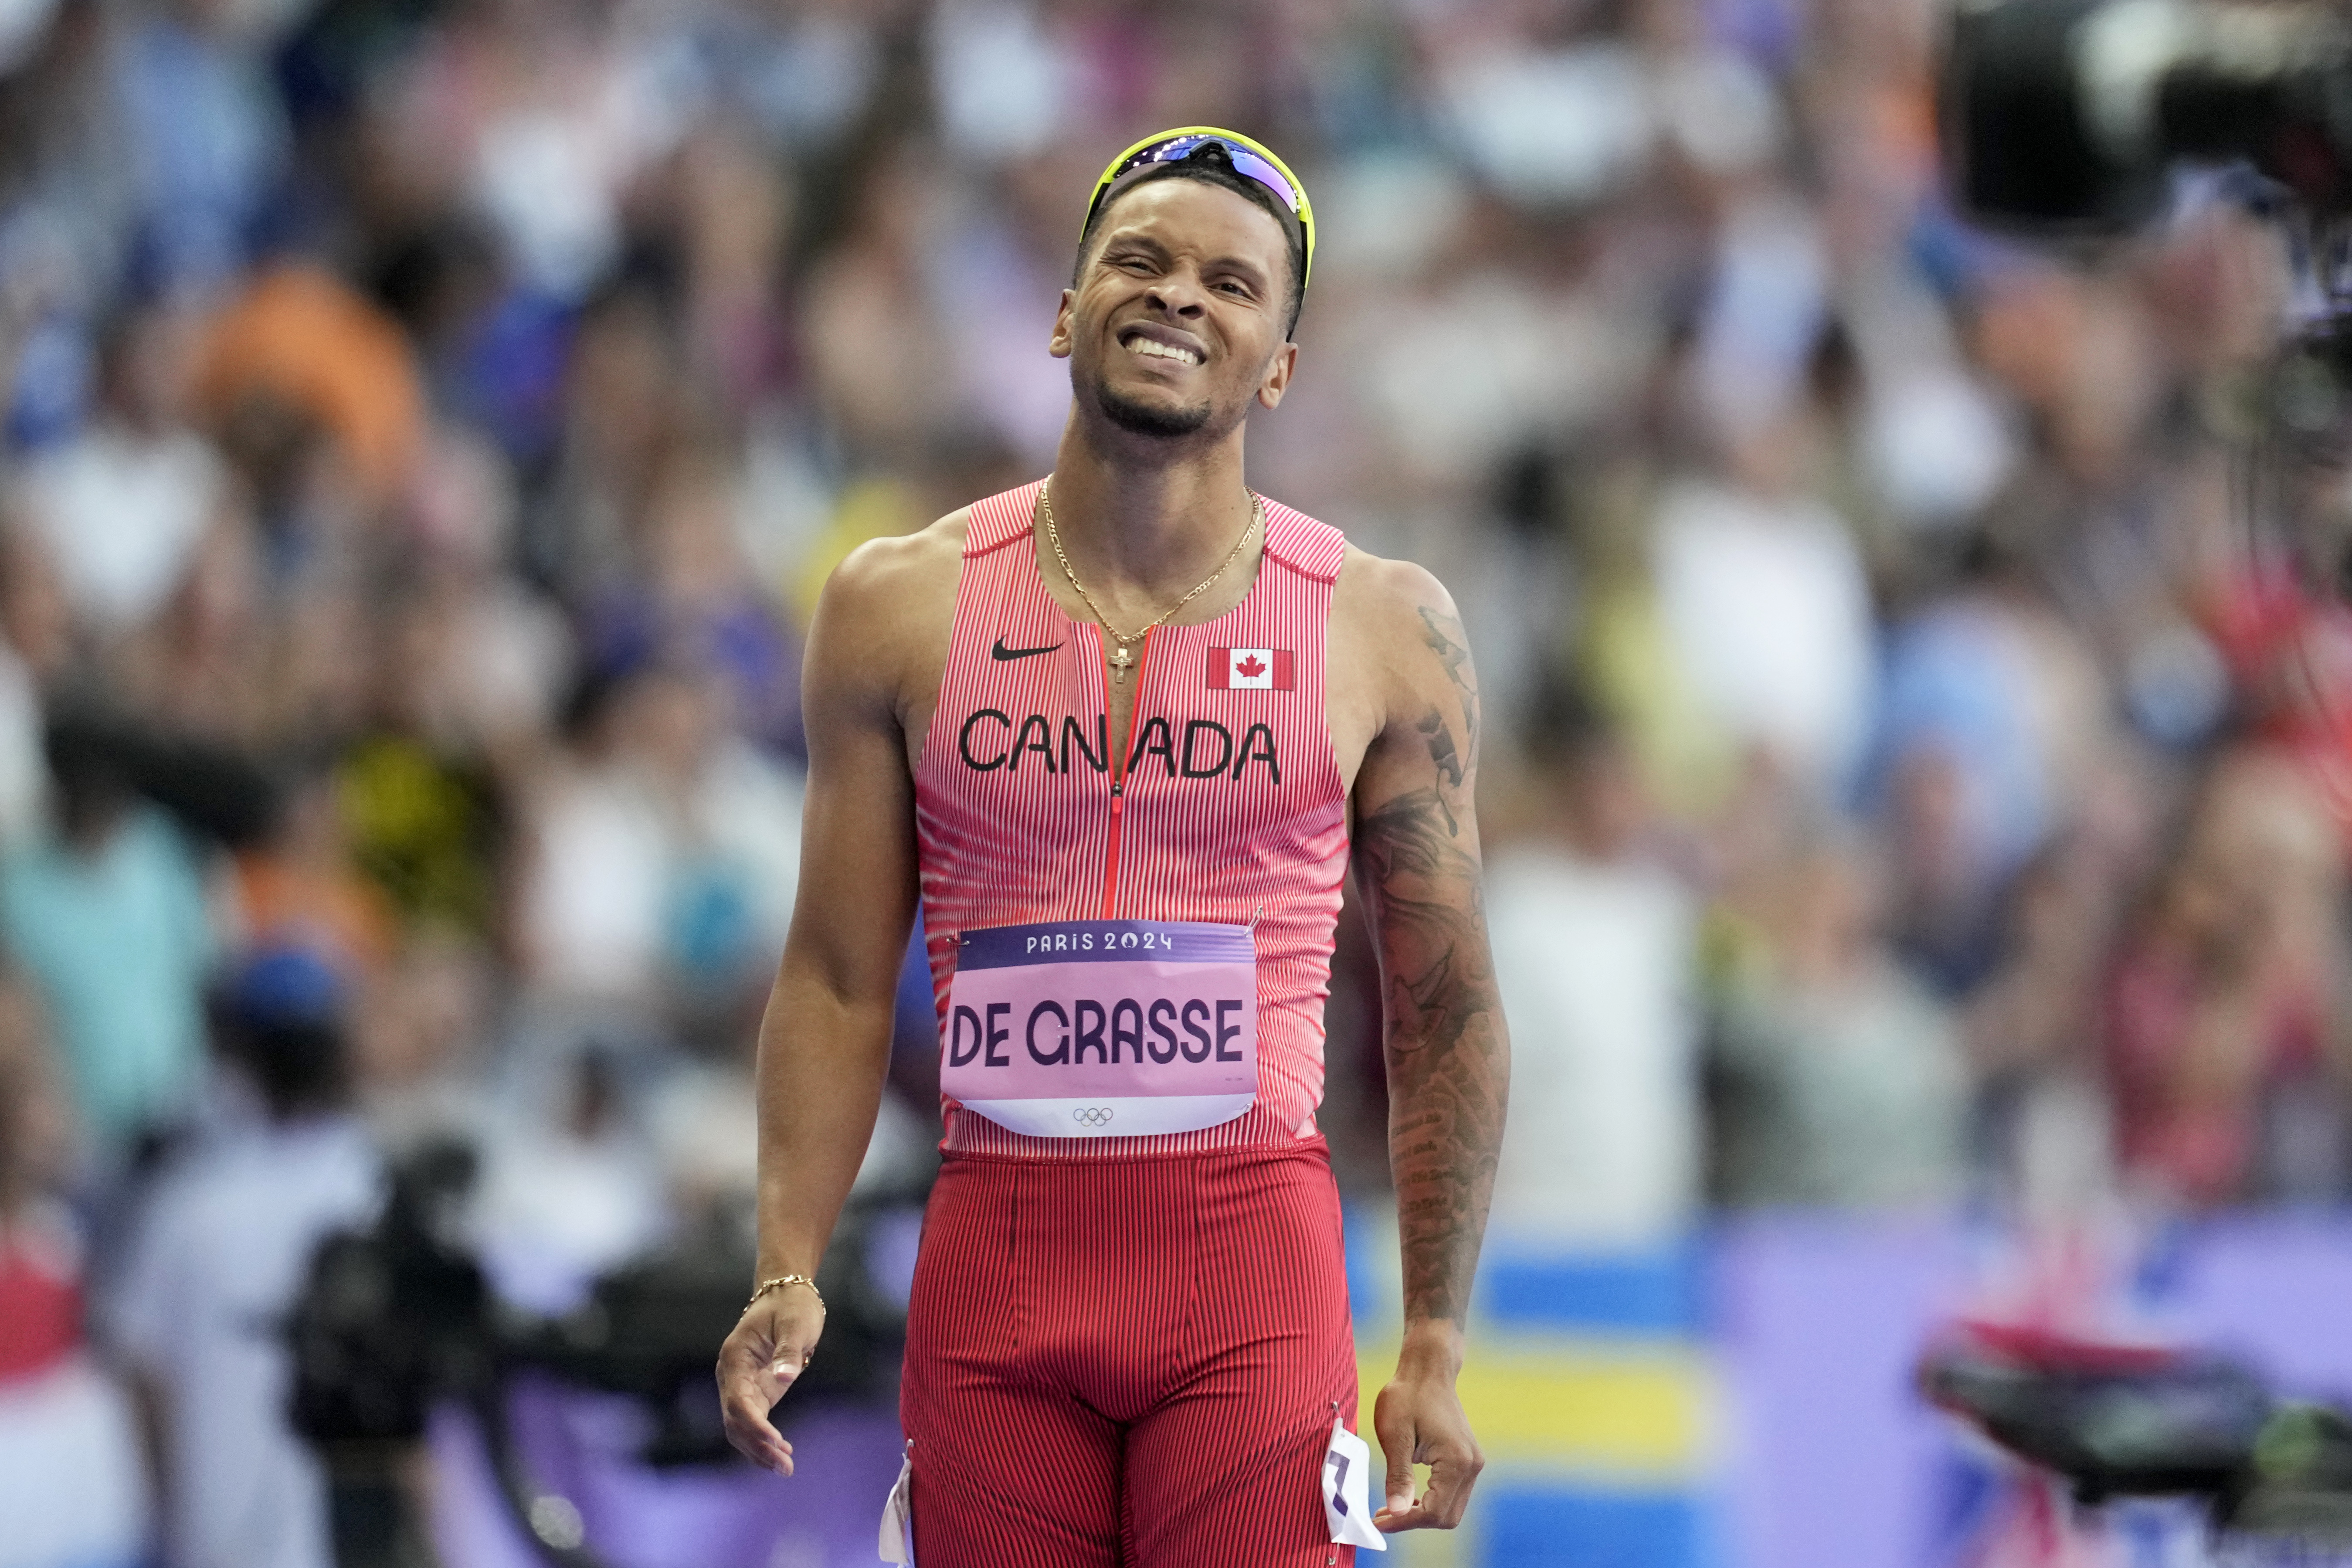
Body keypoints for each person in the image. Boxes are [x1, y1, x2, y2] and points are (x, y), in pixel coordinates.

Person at [716, 128, 1510, 1565]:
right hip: (997, 1273)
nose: (1179, 298)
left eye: (1232, 281)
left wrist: (1437, 1340)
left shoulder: (1384, 627)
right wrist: (788, 1258)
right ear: (1065, 309)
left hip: (1250, 1271)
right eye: (1137, 261)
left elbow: (1444, 1002)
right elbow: (835, 974)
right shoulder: (896, 605)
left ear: (1280, 362)